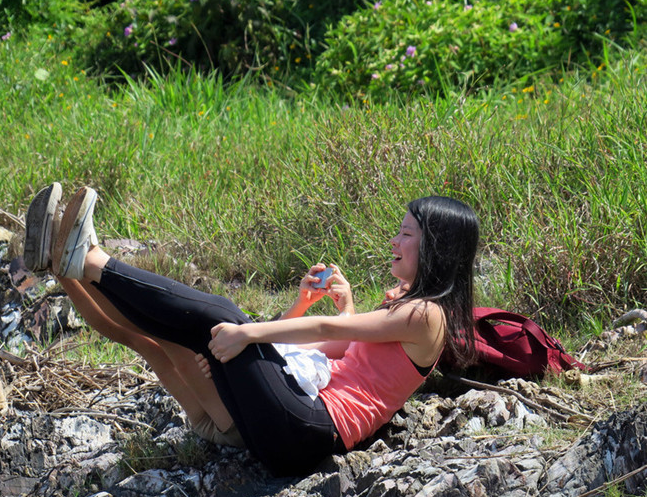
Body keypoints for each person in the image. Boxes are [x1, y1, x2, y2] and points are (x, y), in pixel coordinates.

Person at [24, 184, 479, 476]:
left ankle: (88, 261)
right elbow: (339, 346)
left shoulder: (427, 315)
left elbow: (322, 329)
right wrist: (334, 306)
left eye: (406, 234)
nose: (394, 242)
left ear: (435, 248)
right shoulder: (404, 303)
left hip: (308, 428)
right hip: (298, 415)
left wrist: (248, 333)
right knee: (181, 333)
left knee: (215, 317)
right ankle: (74, 263)